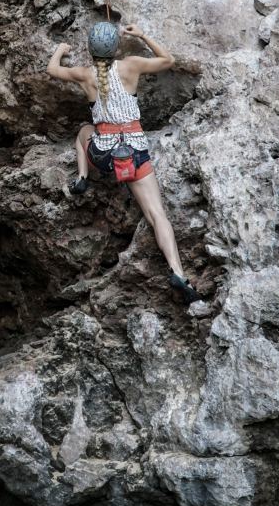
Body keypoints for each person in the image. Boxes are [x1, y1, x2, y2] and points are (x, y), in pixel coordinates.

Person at [47, 22, 199, 304]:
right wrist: (141, 35)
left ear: (91, 51)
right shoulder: (131, 65)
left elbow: (52, 70)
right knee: (157, 215)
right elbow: (169, 60)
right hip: (134, 154)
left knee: (83, 132)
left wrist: (60, 49)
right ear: (116, 48)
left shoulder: (84, 74)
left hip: (104, 157)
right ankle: (178, 271)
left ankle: (82, 177)